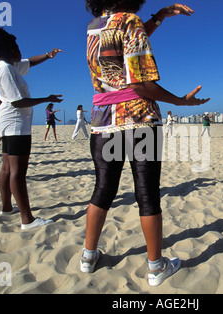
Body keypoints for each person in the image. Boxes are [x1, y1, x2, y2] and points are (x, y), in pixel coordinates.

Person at [82, 1, 210, 287]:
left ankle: (88, 257)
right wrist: (181, 101)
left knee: (102, 189)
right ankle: (155, 267)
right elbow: (140, 84)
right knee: (147, 192)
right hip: (139, 117)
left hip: (103, 119)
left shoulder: (95, 26)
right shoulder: (130, 20)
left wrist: (158, 18)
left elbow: (122, 44)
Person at [0, 27, 64, 230]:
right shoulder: (5, 69)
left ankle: (7, 208)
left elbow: (30, 62)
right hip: (15, 121)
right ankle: (27, 219)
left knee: (6, 168)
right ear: (11, 50)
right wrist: (47, 99)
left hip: (7, 120)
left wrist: (48, 56)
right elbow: (18, 102)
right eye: (17, 47)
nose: (20, 50)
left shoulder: (3, 65)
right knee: (17, 171)